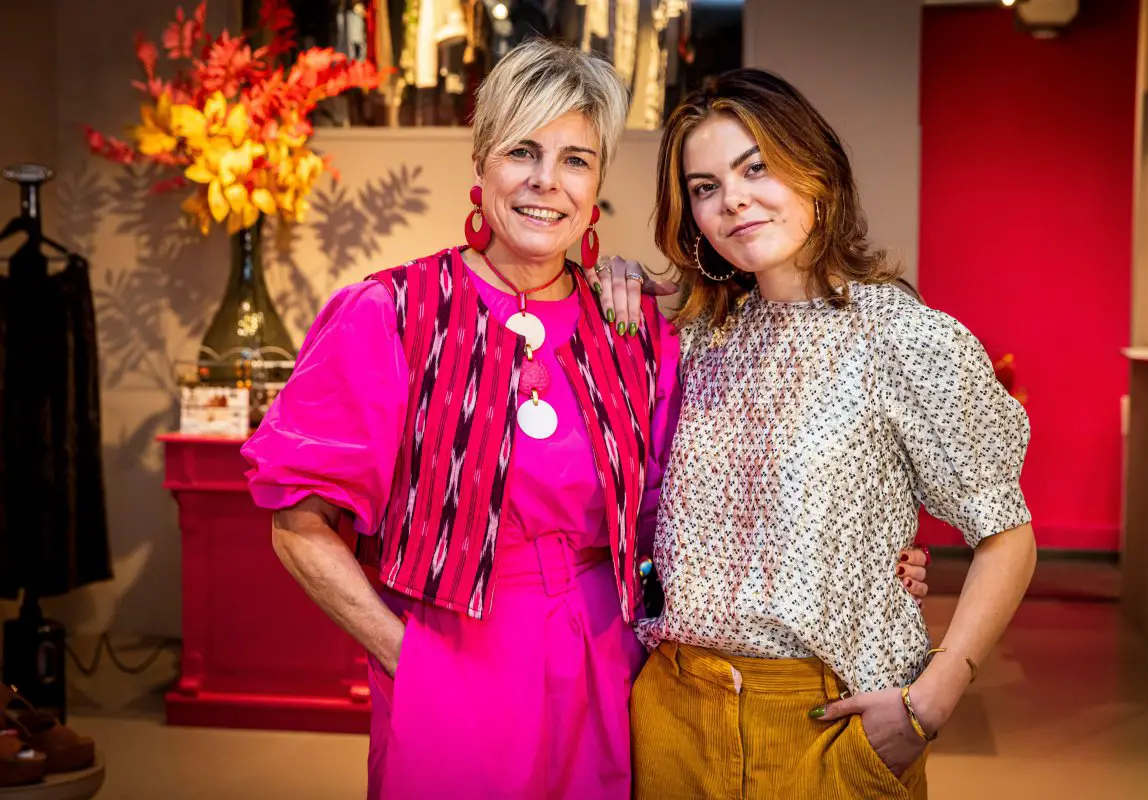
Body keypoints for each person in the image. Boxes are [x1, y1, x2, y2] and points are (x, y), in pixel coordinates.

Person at [243, 41, 930, 799]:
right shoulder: (392, 313)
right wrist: (411, 661)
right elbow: (297, 525)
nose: (546, 182)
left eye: (576, 159)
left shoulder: (634, 328)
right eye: (522, 152)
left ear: (598, 181)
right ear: (481, 164)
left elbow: (708, 499)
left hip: (614, 660)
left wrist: (871, 556)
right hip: (452, 650)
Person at [593, 68, 1036, 800]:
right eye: (704, 188)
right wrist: (610, 281)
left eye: (755, 168)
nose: (732, 200)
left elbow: (1007, 536)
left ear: (816, 170)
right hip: (672, 716)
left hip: (823, 724)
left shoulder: (904, 339)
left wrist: (933, 698)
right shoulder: (696, 340)